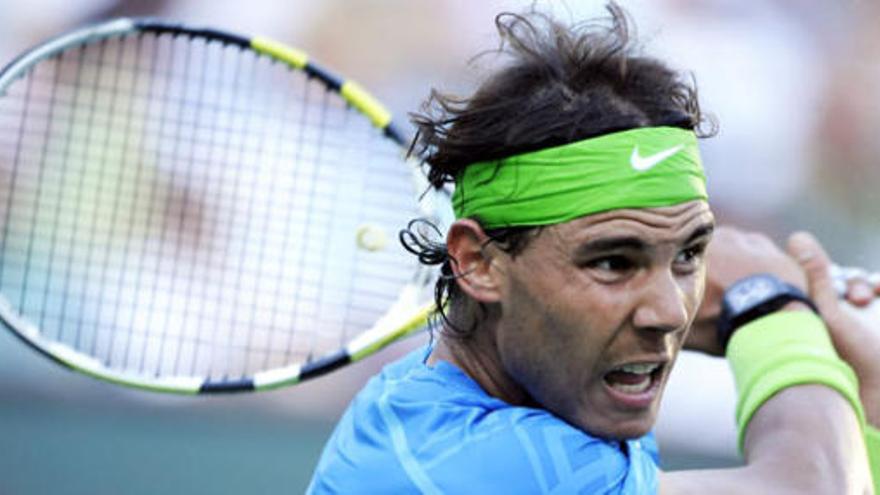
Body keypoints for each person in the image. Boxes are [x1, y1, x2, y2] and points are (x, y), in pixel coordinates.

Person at [308, 5, 879, 493]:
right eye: (612, 261)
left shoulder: (437, 408)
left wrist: (865, 395)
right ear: (479, 262)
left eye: (688, 255)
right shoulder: (493, 464)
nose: (671, 311)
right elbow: (816, 486)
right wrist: (769, 309)